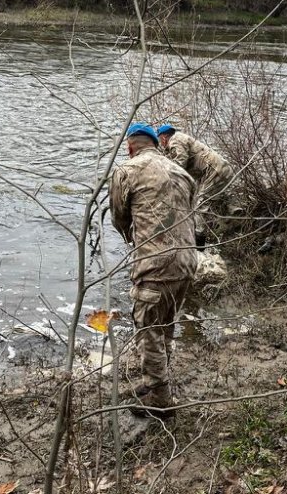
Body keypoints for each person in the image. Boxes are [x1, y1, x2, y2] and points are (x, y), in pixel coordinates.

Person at [110, 123, 197, 416]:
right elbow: (189, 213)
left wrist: (136, 241)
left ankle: (160, 400)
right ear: (157, 145)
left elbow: (119, 219)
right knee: (166, 325)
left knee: (148, 329)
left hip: (155, 264)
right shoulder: (182, 173)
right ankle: (155, 381)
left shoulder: (127, 170)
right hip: (188, 261)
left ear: (130, 147)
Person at [156, 124, 235, 248]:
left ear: (164, 137)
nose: (160, 143)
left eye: (160, 139)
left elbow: (180, 162)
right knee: (198, 202)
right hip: (218, 170)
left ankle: (199, 244)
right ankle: (230, 215)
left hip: (215, 172)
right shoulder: (179, 139)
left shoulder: (175, 140)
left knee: (200, 206)